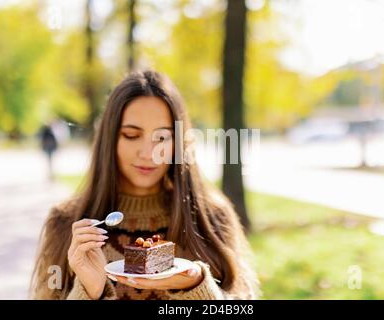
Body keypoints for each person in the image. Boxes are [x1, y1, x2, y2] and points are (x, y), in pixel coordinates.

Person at [30, 70, 260, 300]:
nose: (148, 153)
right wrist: (90, 292)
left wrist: (198, 286)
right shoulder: (65, 224)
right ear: (110, 139)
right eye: (131, 135)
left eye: (162, 138)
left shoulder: (212, 218)